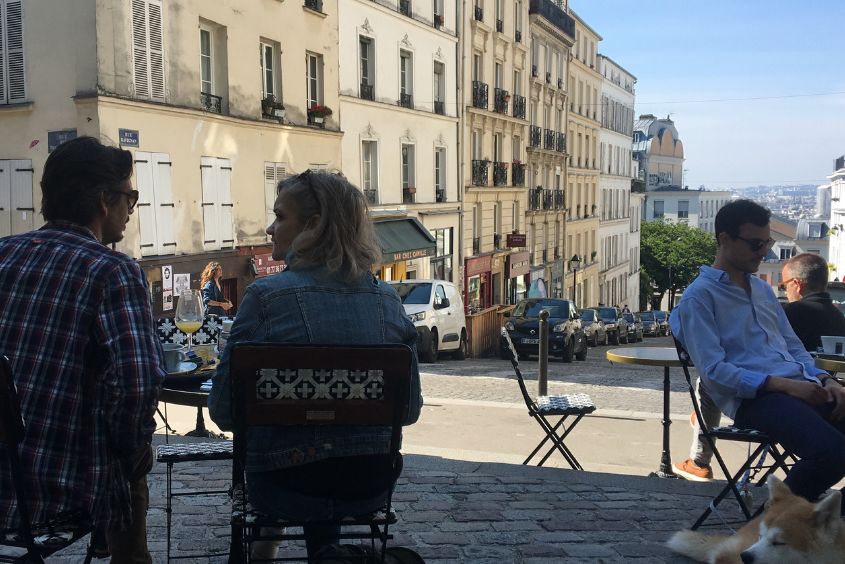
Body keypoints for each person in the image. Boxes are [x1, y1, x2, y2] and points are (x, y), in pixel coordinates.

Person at [209, 170, 422, 559]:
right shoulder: (388, 301)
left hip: (283, 483)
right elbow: (407, 412)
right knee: (329, 459)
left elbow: (224, 411)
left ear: (313, 226)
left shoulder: (264, 298)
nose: (270, 228)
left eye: (280, 216)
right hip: (368, 483)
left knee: (303, 462)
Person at [0, 137, 165, 562]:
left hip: (6, 474)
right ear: (106, 201)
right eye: (131, 197)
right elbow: (136, 386)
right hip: (54, 486)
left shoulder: (3, 255)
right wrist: (128, 450)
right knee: (135, 455)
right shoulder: (112, 270)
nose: (133, 208)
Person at [670, 199, 845, 516]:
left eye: (767, 242)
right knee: (829, 453)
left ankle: (817, 525)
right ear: (725, 240)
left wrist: (825, 379)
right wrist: (784, 386)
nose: (764, 251)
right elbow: (714, 372)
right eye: (755, 243)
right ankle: (768, 528)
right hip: (755, 397)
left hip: (800, 385)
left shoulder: (762, 290)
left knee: (834, 450)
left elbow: (793, 347)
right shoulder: (699, 297)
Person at [781, 252, 845, 352]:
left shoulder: (787, 313)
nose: (785, 292)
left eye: (784, 285)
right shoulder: (840, 318)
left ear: (797, 284)